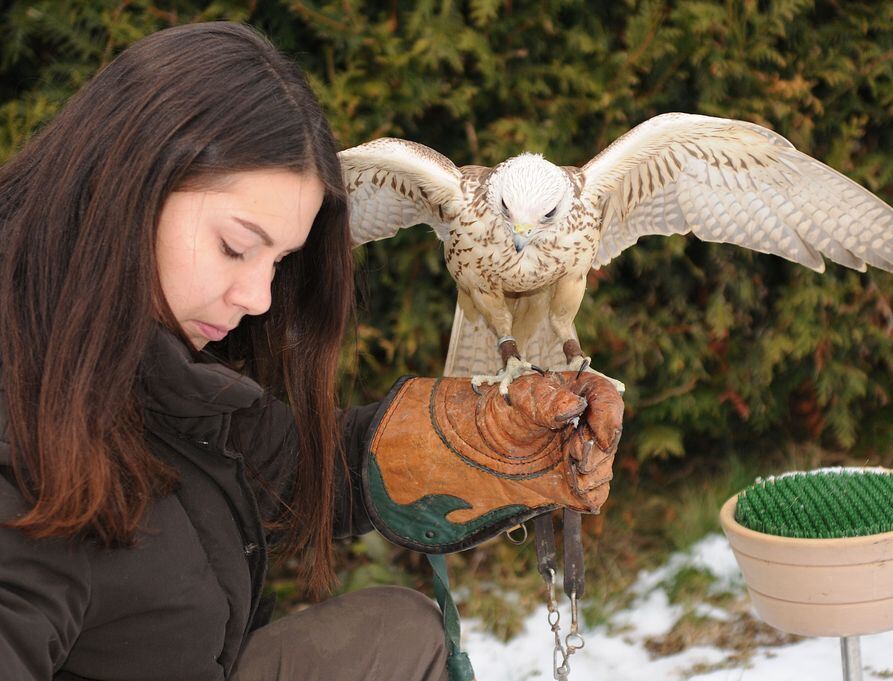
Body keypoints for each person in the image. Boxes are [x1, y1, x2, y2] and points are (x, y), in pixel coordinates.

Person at [0, 22, 622, 681]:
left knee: (397, 635)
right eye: (237, 246)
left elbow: (283, 467)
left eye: (279, 261)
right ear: (131, 185)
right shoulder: (22, 447)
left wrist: (475, 440)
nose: (260, 297)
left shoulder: (132, 355)